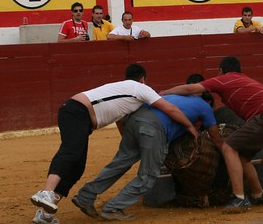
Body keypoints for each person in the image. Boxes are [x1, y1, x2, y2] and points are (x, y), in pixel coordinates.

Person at [30, 63, 197, 223]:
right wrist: (189, 125)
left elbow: (120, 119)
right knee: (71, 152)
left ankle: (45, 214)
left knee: (76, 168)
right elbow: (171, 109)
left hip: (78, 114)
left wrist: (127, 142)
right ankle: (46, 192)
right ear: (143, 79)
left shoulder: (123, 89)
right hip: (78, 112)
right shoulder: (140, 88)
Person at [161, 56, 263, 214]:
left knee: (228, 147)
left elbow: (190, 89)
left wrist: (163, 93)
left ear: (220, 71)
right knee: (242, 158)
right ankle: (259, 194)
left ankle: (239, 198)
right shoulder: (246, 81)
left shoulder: (225, 80)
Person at [71, 93, 222, 221]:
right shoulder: (205, 107)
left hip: (133, 121)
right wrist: (226, 151)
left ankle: (85, 196)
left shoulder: (174, 96)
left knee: (119, 163)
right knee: (148, 175)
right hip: (154, 129)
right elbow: (215, 138)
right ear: (209, 102)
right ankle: (112, 208)